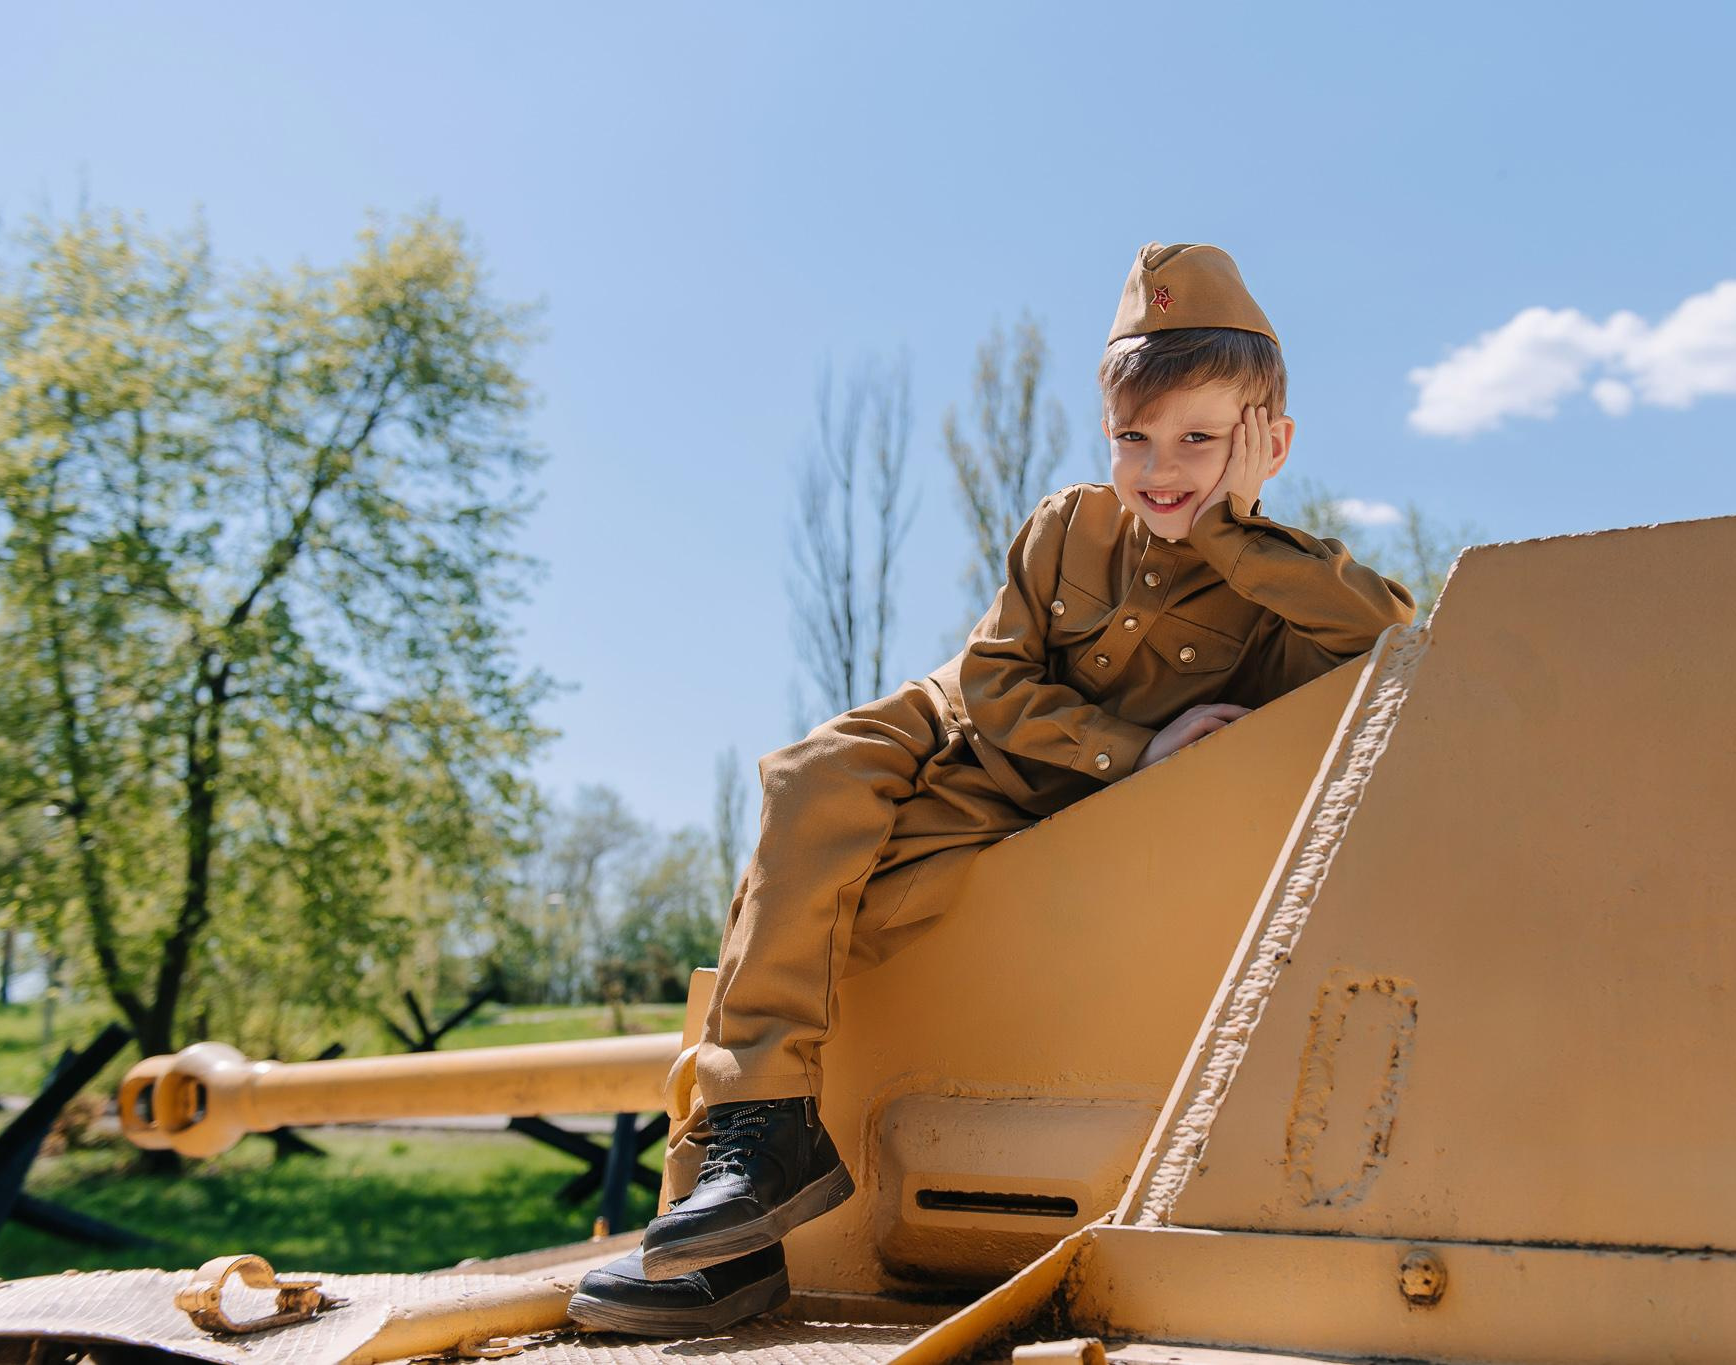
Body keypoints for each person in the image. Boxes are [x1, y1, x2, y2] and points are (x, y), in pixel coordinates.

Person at [566, 242, 1416, 1335]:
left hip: (1032, 802)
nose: (1161, 469)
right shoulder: (1065, 524)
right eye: (1134, 439)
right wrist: (1133, 748)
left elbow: (1388, 637)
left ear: (1271, 443)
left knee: (862, 916)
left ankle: (729, 1235)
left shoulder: (1276, 592)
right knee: (816, 776)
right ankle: (759, 1137)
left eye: (1201, 440)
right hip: (964, 728)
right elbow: (994, 680)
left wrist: (1221, 526)